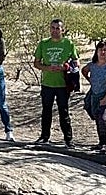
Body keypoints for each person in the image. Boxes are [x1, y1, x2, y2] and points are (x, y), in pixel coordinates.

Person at [33, 18, 80, 146]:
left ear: (62, 30)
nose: (54, 31)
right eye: (52, 28)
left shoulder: (69, 44)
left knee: (63, 111)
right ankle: (44, 136)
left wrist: (66, 67)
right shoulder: (43, 43)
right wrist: (47, 68)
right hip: (47, 83)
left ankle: (68, 139)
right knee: (46, 111)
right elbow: (36, 63)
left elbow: (76, 62)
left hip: (63, 84)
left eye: (57, 28)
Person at [82, 40, 106, 153]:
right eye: (100, 50)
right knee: (97, 118)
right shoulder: (92, 65)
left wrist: (105, 99)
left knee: (103, 118)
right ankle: (100, 142)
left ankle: (104, 143)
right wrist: (90, 81)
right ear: (96, 51)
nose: (102, 52)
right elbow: (84, 70)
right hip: (94, 96)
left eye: (105, 50)